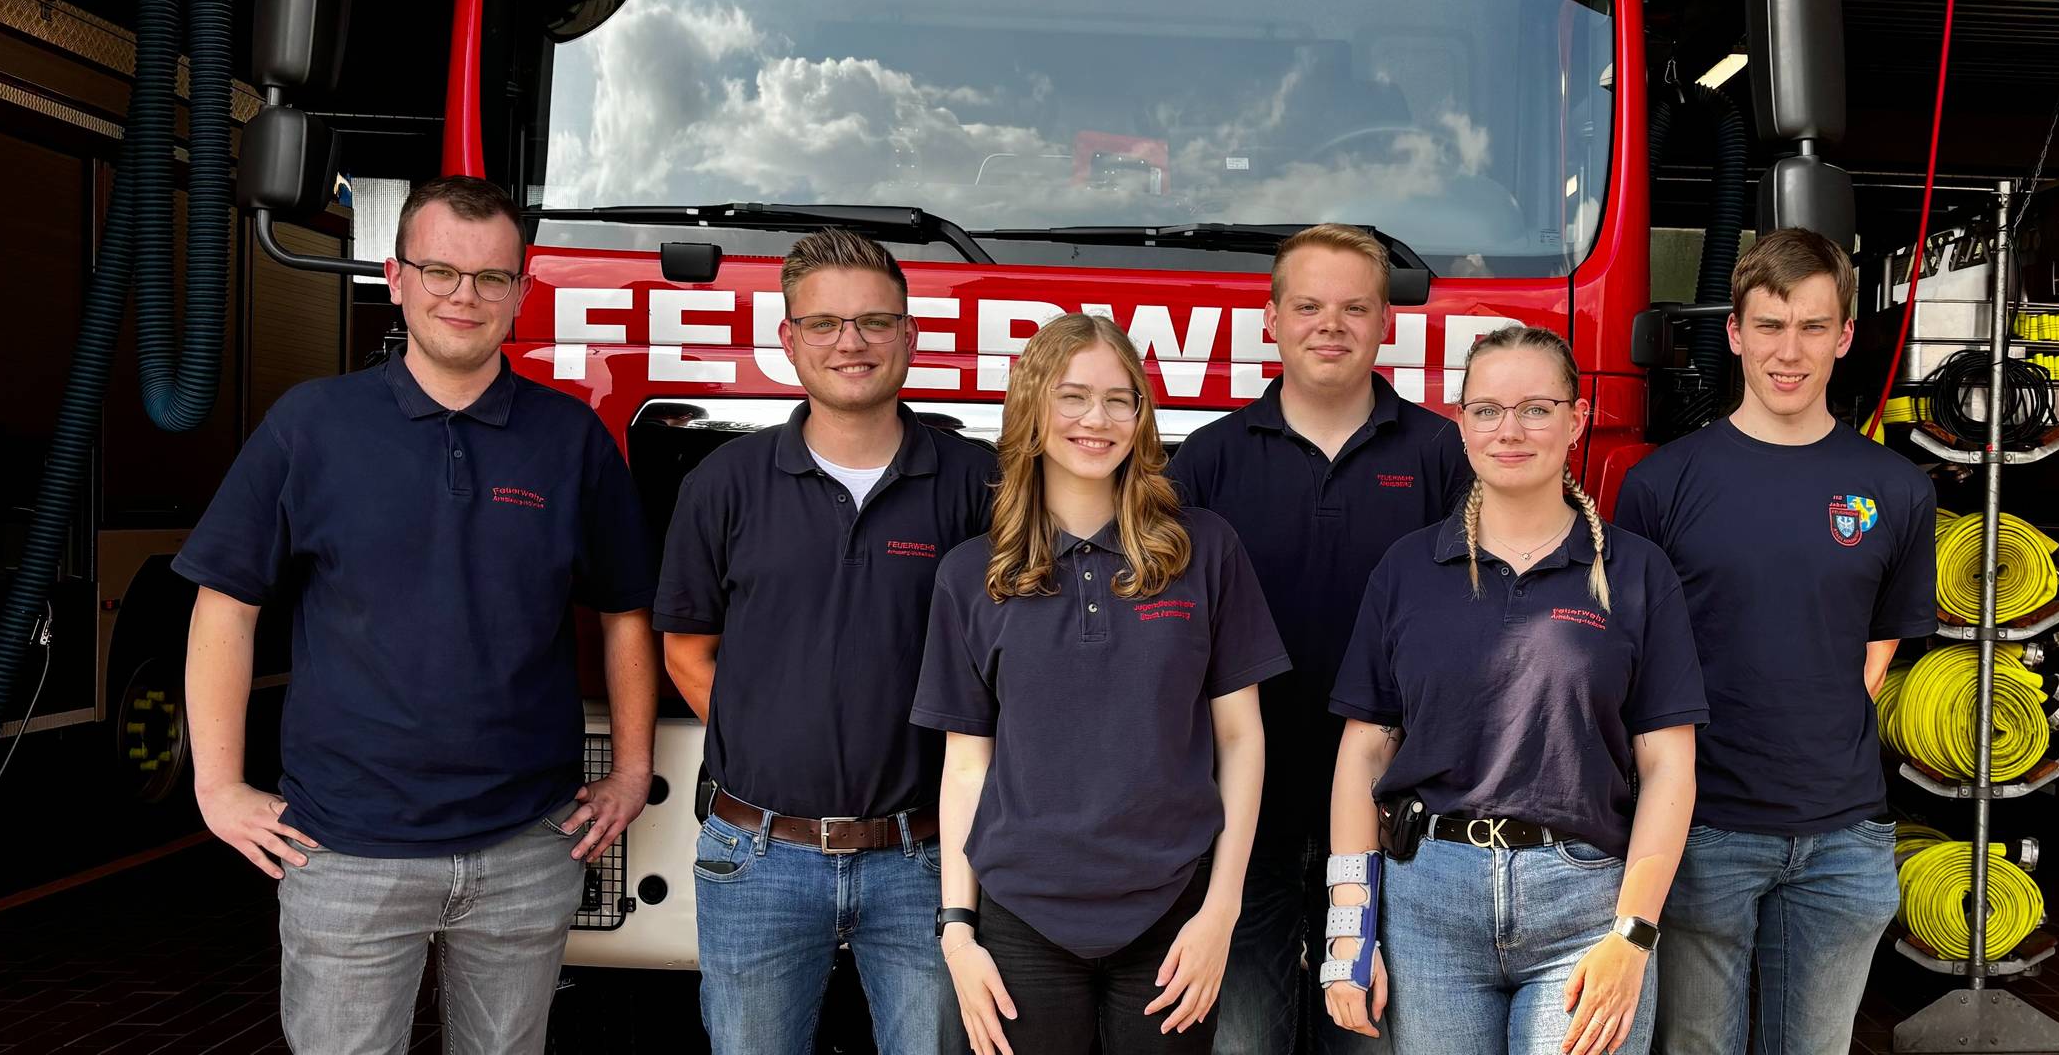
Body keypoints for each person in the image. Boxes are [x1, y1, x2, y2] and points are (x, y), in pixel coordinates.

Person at [177, 175, 658, 1055]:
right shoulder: (312, 426)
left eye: (490, 278)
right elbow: (226, 604)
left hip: (526, 844)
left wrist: (632, 771)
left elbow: (627, 613)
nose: (463, 297)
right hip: (346, 849)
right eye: (439, 271)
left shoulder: (570, 438)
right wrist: (217, 786)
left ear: (523, 287)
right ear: (395, 279)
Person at [1322, 325, 1707, 1055]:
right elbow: (1363, 754)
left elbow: (1667, 767)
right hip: (1429, 899)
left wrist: (1634, 936)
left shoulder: (1635, 572)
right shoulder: (1407, 570)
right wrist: (1351, 931)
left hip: (1586, 905)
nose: (1511, 430)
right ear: (1460, 421)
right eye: (1488, 410)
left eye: (1536, 408)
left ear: (1578, 418)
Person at [912, 314, 1291, 1055]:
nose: (1098, 419)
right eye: (1074, 396)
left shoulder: (1203, 549)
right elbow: (965, 765)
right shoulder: (972, 573)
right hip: (1021, 918)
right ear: (1032, 410)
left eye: (1121, 400)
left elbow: (1242, 739)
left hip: (1174, 915)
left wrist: (1220, 911)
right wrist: (958, 931)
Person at [655, 228, 995, 1054]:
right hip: (757, 856)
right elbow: (685, 648)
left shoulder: (975, 482)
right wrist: (765, 733)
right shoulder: (724, 485)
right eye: (825, 324)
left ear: (910, 337)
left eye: (876, 322)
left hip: (926, 858)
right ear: (789, 340)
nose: (852, 342)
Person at [1616, 229, 1938, 1055]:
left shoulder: (1894, 488)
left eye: (1811, 327)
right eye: (1768, 325)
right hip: (1703, 831)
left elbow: (1876, 649)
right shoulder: (1662, 483)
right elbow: (1632, 658)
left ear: (1844, 336)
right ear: (1734, 332)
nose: (1787, 352)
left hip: (1843, 838)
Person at [1168, 224, 1469, 1055]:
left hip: (1390, 820)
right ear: (1271, 318)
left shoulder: (1443, 454)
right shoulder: (1208, 461)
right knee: (1244, 1042)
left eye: (1353, 308)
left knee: (1367, 1036)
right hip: (1241, 818)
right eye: (1307, 306)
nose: (1329, 326)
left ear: (1384, 325)